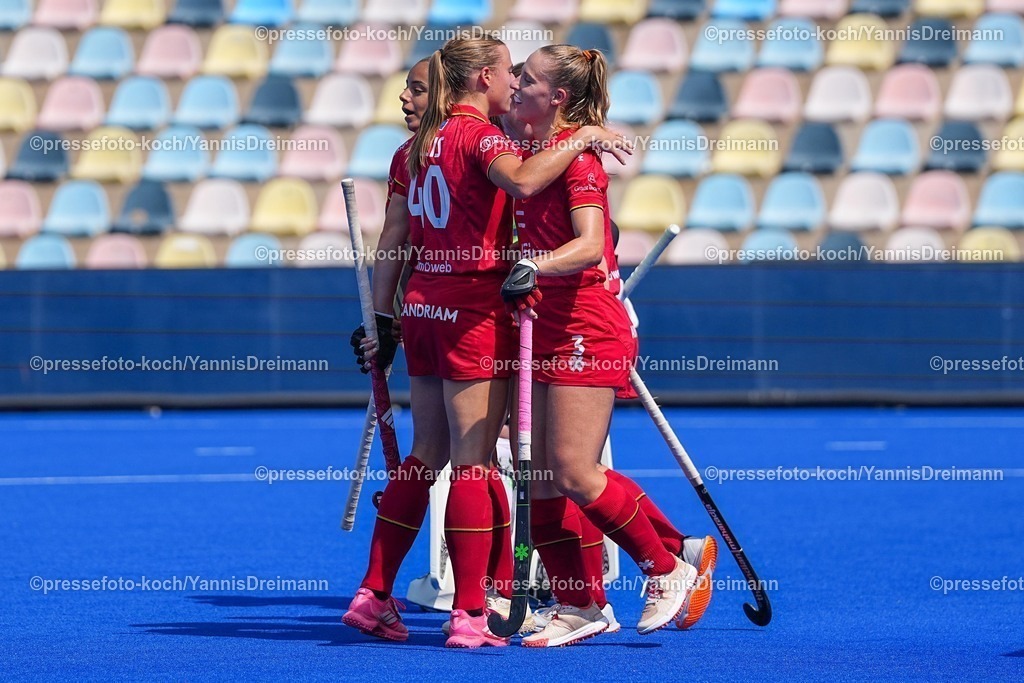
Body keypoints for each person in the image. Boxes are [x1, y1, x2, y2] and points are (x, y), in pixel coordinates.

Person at [347, 37, 631, 649]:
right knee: (479, 463)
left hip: (423, 304)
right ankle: (473, 612)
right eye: (507, 71)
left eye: (416, 89)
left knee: (427, 454)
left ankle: (374, 593)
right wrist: (581, 137)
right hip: (478, 308)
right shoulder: (484, 139)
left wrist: (382, 319)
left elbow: (394, 238)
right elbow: (527, 184)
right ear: (479, 79)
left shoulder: (411, 150)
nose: (514, 81)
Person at [499, 45, 710, 648]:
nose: (515, 83)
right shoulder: (533, 145)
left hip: (585, 325)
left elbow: (590, 244)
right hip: (542, 323)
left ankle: (668, 568)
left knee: (572, 469)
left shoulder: (579, 163)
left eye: (528, 78)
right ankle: (579, 605)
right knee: (540, 475)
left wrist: (534, 266)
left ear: (557, 97)